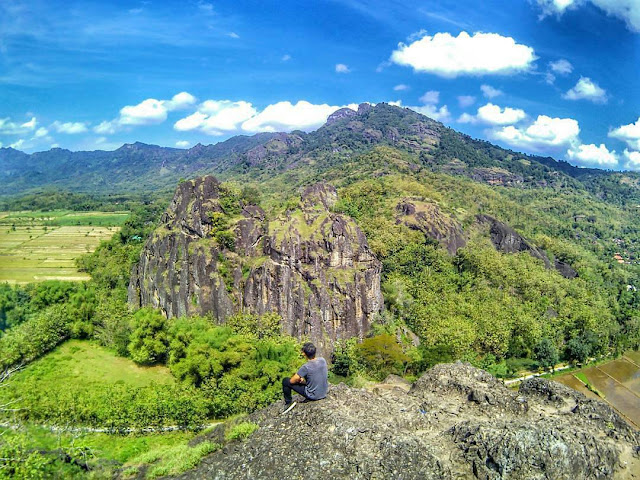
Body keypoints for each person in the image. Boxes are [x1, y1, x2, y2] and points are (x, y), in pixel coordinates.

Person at [282, 342, 328, 411]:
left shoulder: (306, 367)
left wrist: (298, 379)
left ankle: (288, 404)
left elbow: (291, 381)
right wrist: (303, 382)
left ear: (304, 353)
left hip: (313, 396)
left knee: (285, 381)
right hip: (323, 393)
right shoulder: (323, 360)